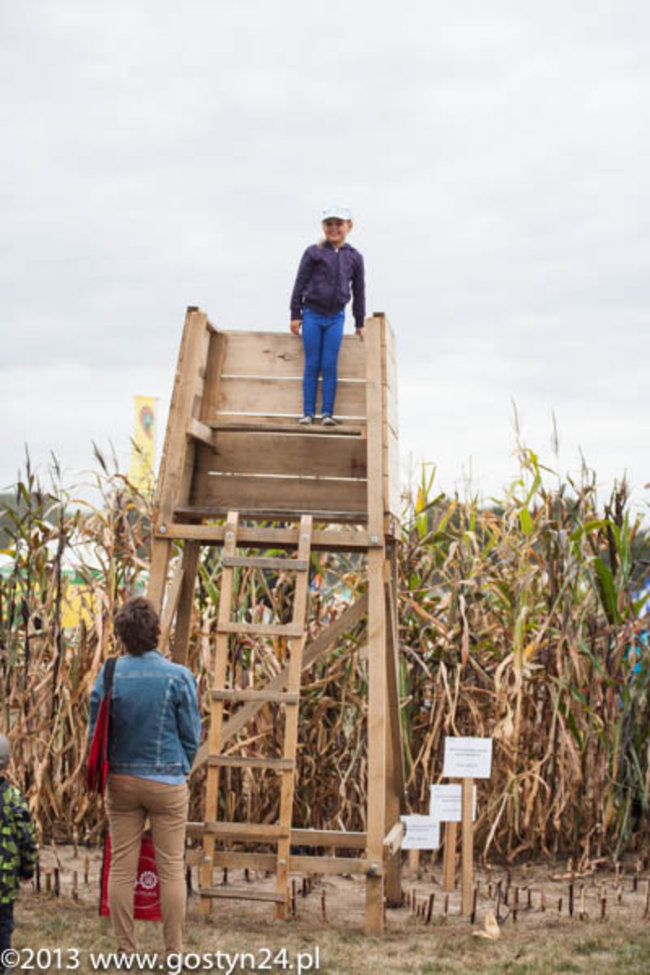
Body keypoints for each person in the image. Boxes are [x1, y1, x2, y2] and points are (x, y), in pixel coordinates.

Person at [89, 596, 201, 960]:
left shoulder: (108, 675)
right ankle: (174, 952)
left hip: (121, 781)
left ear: (121, 635)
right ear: (156, 631)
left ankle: (125, 950)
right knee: (170, 868)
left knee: (122, 866)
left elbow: (96, 734)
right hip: (167, 782)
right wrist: (180, 766)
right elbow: (191, 734)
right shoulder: (179, 676)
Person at [290, 205, 365, 425]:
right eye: (329, 224)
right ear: (323, 227)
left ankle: (327, 413)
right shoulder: (313, 252)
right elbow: (299, 283)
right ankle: (308, 413)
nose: (334, 228)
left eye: (338, 224)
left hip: (335, 317)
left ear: (348, 226)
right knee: (312, 363)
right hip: (312, 314)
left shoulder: (354, 257)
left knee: (330, 363)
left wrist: (359, 322)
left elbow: (359, 291)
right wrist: (296, 314)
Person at [0, 735, 37, 973]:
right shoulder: (14, 799)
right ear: (9, 765)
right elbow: (26, 839)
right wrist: (27, 870)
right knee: (3, 925)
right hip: (4, 882)